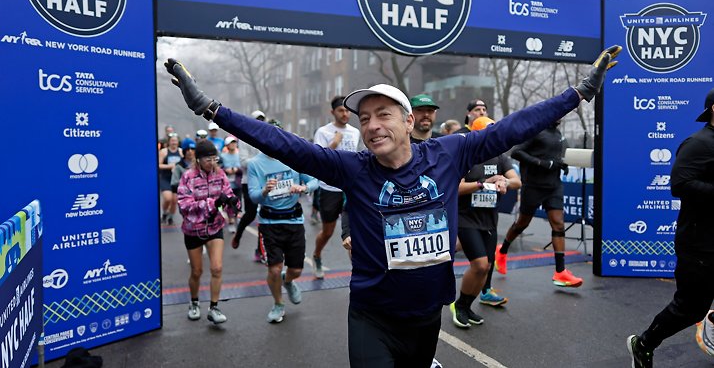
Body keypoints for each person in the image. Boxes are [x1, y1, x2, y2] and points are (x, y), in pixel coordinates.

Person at [164, 45, 618, 366]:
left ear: (406, 120)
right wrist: (210, 108)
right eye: (364, 119)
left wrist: (580, 92)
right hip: (371, 314)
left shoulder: (450, 152)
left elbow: (515, 127)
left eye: (383, 115)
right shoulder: (352, 168)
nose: (372, 126)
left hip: (426, 314)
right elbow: (285, 145)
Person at [627, 87, 714, 368]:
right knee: (690, 308)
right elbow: (679, 185)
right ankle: (643, 343)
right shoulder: (698, 143)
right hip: (700, 243)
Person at [494, 116, 583, 286]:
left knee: (558, 224)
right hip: (533, 185)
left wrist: (562, 164)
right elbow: (516, 152)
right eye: (559, 113)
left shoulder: (558, 134)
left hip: (554, 186)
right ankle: (502, 250)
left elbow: (555, 156)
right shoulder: (535, 130)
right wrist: (542, 163)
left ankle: (560, 271)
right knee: (522, 223)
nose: (561, 117)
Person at [450, 117, 521, 329]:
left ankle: (465, 305)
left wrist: (503, 180)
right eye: (489, 133)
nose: (494, 137)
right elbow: (456, 187)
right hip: (466, 217)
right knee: (479, 264)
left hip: (489, 219)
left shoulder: (500, 157)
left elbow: (517, 181)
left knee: (487, 267)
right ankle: (459, 305)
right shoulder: (466, 156)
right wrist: (482, 184)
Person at [247, 121, 318, 323]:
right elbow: (253, 197)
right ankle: (278, 304)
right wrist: (264, 191)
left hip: (294, 220)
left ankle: (288, 281)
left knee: (295, 270)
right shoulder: (254, 164)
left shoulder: (292, 158)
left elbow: (314, 180)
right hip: (269, 223)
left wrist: (304, 188)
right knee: (274, 268)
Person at [177, 140, 239, 325]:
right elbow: (184, 206)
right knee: (197, 271)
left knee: (217, 268)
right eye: (208, 159)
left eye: (215, 158)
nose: (212, 163)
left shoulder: (220, 175)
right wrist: (213, 203)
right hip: (193, 229)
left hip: (214, 227)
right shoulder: (188, 177)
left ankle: (214, 307)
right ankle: (194, 302)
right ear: (198, 159)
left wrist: (233, 204)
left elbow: (227, 196)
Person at [312, 96, 362, 279]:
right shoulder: (323, 132)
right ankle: (317, 255)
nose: (345, 113)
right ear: (333, 112)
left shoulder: (355, 132)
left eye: (347, 110)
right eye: (341, 110)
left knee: (353, 232)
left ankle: (359, 270)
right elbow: (317, 160)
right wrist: (334, 143)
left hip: (350, 188)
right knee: (328, 232)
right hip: (329, 189)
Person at [232, 110, 267, 264]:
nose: (259, 122)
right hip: (249, 182)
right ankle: (238, 233)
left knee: (264, 216)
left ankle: (260, 250)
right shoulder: (244, 138)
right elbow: (243, 162)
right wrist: (260, 162)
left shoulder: (266, 137)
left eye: (262, 120)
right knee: (251, 214)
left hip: (265, 182)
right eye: (257, 120)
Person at [159, 134, 182, 225]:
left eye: (175, 141)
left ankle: (171, 217)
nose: (174, 142)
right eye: (172, 140)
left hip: (176, 180)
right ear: (169, 142)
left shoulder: (180, 151)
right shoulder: (164, 152)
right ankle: (164, 213)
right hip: (166, 178)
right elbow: (159, 165)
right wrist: (170, 166)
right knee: (168, 198)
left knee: (174, 200)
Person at [221, 136, 242, 233]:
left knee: (238, 202)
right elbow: (219, 168)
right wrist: (226, 170)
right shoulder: (223, 156)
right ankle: (231, 222)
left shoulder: (240, 155)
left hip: (238, 182)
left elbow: (244, 167)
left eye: (234, 142)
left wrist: (237, 170)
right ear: (227, 145)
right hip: (227, 184)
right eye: (231, 143)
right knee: (229, 203)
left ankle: (236, 218)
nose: (233, 144)